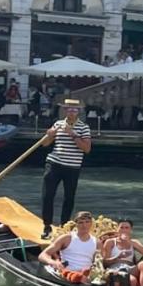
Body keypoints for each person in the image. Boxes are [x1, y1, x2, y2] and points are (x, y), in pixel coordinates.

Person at [39, 98, 92, 238]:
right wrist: (49, 135)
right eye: (68, 109)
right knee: (47, 195)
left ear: (78, 111)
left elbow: (86, 149)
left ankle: (64, 226)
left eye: (74, 109)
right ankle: (47, 226)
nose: (71, 112)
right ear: (65, 110)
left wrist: (72, 134)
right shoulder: (58, 124)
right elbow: (44, 144)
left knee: (69, 198)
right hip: (54, 163)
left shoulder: (84, 127)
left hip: (72, 167)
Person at [101, 218, 143, 286]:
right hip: (115, 268)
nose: (124, 230)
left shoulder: (133, 242)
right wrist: (117, 258)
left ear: (130, 230)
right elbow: (105, 262)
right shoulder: (110, 242)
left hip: (130, 268)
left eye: (127, 228)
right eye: (121, 227)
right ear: (117, 229)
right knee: (132, 280)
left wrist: (130, 242)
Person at [39, 210, 98, 277]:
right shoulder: (66, 238)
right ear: (76, 224)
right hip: (67, 274)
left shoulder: (96, 242)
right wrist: (53, 262)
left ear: (91, 223)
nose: (84, 225)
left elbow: (99, 262)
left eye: (87, 222)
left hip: (87, 275)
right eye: (81, 223)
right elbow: (43, 255)